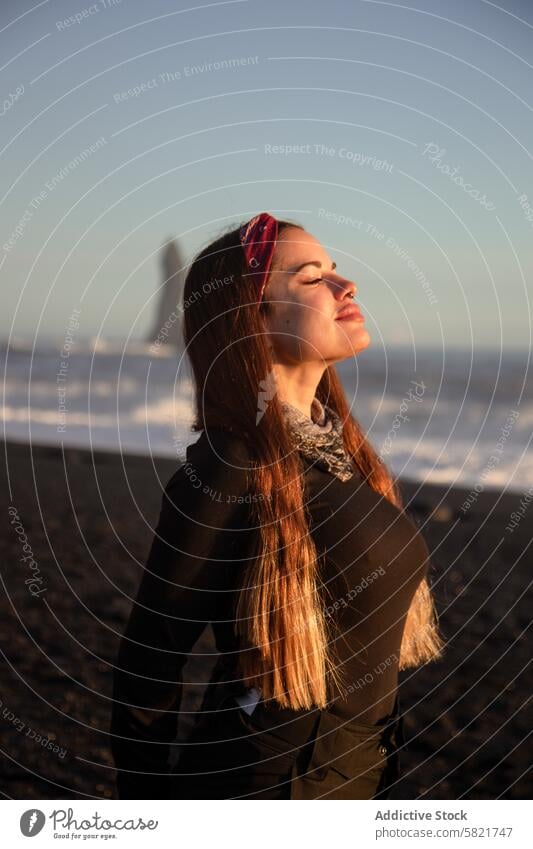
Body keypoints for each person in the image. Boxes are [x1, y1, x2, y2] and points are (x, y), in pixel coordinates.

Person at [110, 212, 444, 800]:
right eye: (313, 278)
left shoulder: (338, 451)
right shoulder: (229, 465)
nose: (347, 287)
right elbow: (148, 665)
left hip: (356, 777)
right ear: (251, 318)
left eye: (337, 272)